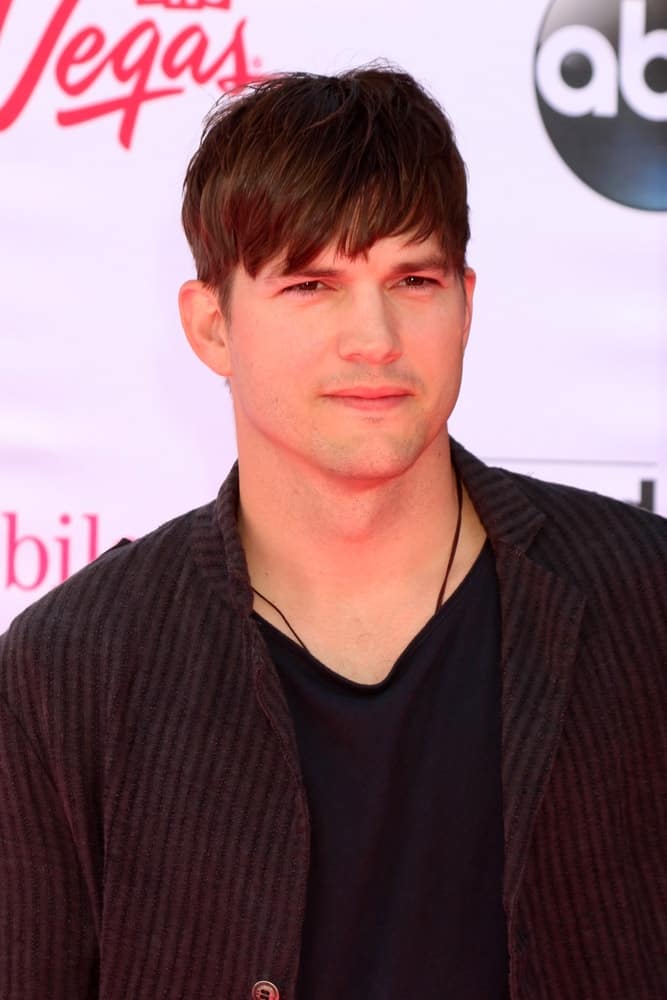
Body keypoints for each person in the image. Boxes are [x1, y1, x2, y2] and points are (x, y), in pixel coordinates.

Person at [0, 66, 665, 1000]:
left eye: (413, 278)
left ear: (465, 302)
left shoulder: (643, 602)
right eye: (312, 283)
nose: (375, 335)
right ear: (210, 325)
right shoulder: (70, 668)